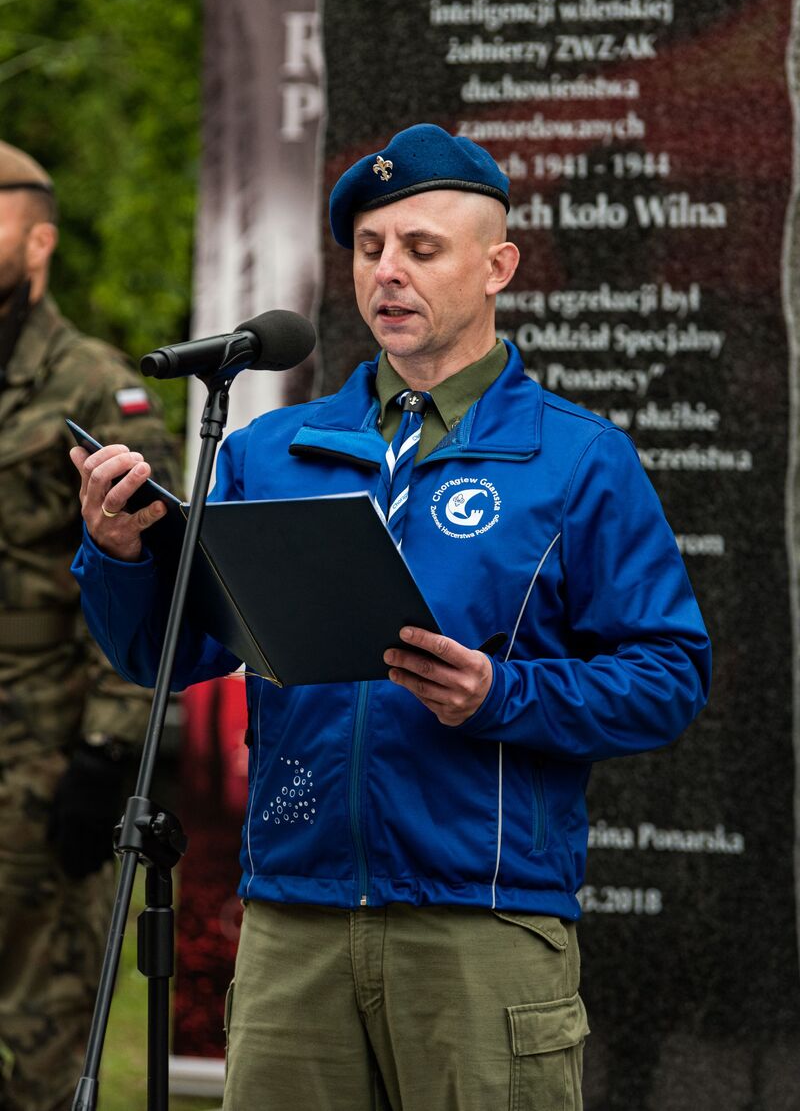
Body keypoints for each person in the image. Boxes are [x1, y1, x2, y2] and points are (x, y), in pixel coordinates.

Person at [70, 124, 711, 1111]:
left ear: (497, 267)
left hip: (481, 920)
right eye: (369, 248)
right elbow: (168, 655)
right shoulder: (272, 451)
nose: (387, 273)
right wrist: (119, 556)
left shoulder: (578, 459)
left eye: (421, 247)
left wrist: (501, 693)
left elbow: (668, 674)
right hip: (295, 915)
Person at [0, 140, 180, 1111]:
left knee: (46, 1030)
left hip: (40, 766)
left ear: (39, 243)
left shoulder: (92, 388)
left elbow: (151, 572)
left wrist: (108, 755)